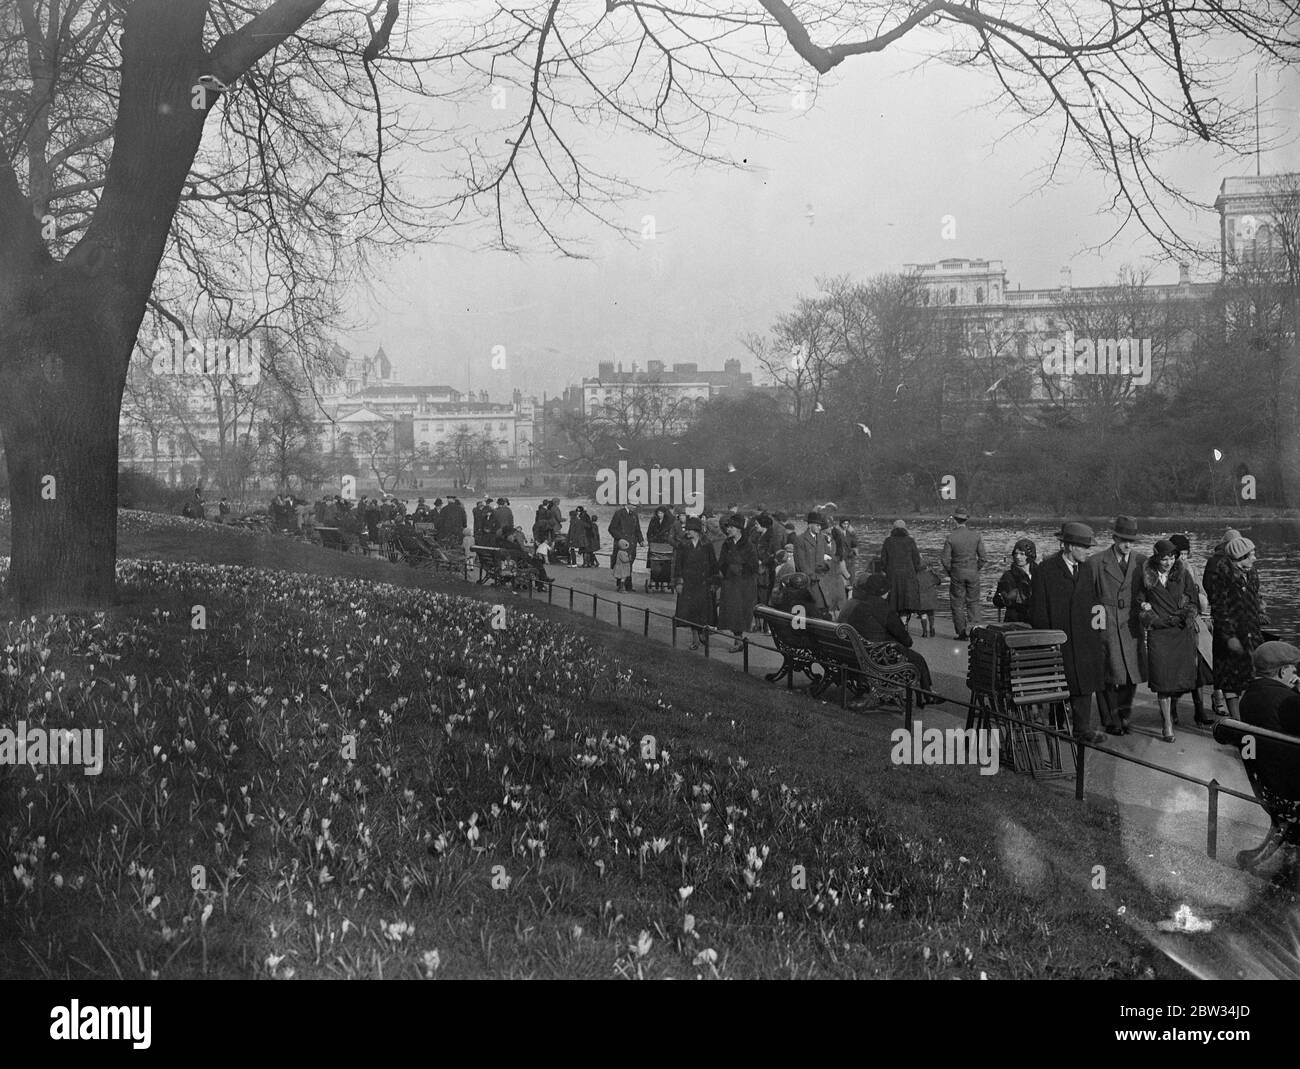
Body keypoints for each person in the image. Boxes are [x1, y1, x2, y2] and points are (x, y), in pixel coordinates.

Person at [1028, 522, 1108, 744]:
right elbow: (1038, 610)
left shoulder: (1087, 569)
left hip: (1085, 640)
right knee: (1059, 684)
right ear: (1070, 547)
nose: (1088, 551)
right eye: (1084, 547)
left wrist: (1098, 634)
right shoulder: (1046, 570)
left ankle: (1082, 730)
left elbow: (1095, 603)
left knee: (1084, 685)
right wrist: (1047, 640)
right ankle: (1057, 726)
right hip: (1059, 639)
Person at [838, 573, 940, 705]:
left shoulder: (857, 603)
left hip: (853, 653)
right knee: (918, 659)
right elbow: (907, 641)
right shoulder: (883, 607)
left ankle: (921, 693)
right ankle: (928, 693)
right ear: (884, 591)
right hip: (876, 656)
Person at [1138, 539, 1201, 742]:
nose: (1168, 562)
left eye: (1172, 558)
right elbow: (1138, 600)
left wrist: (1184, 615)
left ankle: (1172, 710)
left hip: (1180, 630)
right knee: (1162, 678)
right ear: (1156, 558)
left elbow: (1193, 599)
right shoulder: (1146, 575)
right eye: (1164, 558)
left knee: (1179, 677)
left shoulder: (1182, 573)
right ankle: (1167, 723)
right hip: (1159, 632)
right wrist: (1150, 616)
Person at [1210, 535, 1266, 719]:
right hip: (1231, 638)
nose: (1255, 558)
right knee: (1230, 680)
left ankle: (1251, 717)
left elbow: (1255, 598)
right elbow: (1219, 609)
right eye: (1251, 555)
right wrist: (1230, 637)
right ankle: (1237, 721)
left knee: (1253, 676)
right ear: (1239, 558)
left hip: (1252, 633)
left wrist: (1260, 612)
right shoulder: (1221, 576)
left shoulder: (1252, 573)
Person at [940, 507, 988, 639]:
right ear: (966, 520)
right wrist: (975, 568)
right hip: (973, 572)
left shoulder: (951, 537)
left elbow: (944, 559)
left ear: (955, 520)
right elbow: (983, 558)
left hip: (957, 573)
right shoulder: (976, 536)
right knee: (973, 602)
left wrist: (951, 571)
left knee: (957, 603)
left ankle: (961, 633)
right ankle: (976, 631)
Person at [716, 515, 760, 653]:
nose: (728, 529)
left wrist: (739, 568)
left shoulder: (749, 545)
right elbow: (721, 562)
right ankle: (738, 640)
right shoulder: (727, 544)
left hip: (744, 584)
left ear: (739, 529)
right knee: (731, 612)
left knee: (741, 612)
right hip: (730, 582)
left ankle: (738, 641)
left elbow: (753, 566)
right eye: (728, 527)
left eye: (731, 527)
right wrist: (729, 569)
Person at [672, 518, 718, 650]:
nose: (687, 532)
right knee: (691, 612)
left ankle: (702, 632)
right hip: (688, 584)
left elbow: (713, 564)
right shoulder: (683, 545)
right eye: (687, 529)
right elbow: (678, 565)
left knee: (703, 612)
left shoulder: (707, 545)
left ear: (697, 531)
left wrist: (714, 583)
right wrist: (679, 582)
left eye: (690, 530)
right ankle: (695, 639)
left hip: (704, 584)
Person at [880, 520, 922, 628]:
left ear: (893, 529)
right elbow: (916, 560)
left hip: (892, 575)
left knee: (893, 601)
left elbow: (883, 561)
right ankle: (903, 623)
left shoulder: (888, 541)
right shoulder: (910, 541)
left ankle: (895, 625)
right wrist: (914, 571)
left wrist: (887, 571)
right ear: (905, 529)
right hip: (908, 575)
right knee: (905, 602)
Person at [792, 511, 836, 616]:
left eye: (820, 526)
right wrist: (812, 575)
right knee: (812, 609)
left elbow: (830, 557)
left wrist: (825, 566)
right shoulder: (800, 540)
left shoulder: (822, 538)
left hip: (823, 580)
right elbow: (800, 563)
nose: (819, 528)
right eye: (817, 525)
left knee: (824, 609)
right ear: (810, 524)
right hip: (809, 582)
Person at [994, 538, 1035, 625]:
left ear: (1030, 555)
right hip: (1015, 620)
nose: (1017, 557)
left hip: (1036, 619)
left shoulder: (1040, 573)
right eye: (1016, 553)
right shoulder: (1008, 576)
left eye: (1022, 554)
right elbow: (997, 601)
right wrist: (1003, 598)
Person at [608, 504, 644, 578]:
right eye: (634, 505)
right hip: (622, 545)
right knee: (621, 564)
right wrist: (620, 538)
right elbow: (611, 528)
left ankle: (628, 585)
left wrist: (641, 540)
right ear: (628, 504)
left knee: (629, 563)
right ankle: (621, 586)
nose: (635, 507)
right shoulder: (619, 513)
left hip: (632, 543)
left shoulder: (634, 514)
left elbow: (638, 530)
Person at [914, 556, 942, 638]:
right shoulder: (930, 574)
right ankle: (932, 627)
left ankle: (924, 632)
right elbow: (938, 582)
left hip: (921, 598)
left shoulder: (916, 575)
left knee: (923, 615)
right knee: (931, 613)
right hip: (931, 597)